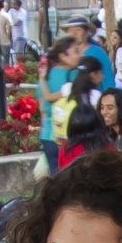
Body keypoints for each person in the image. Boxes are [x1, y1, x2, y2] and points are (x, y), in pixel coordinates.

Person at [38, 35, 84, 173]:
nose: (79, 55)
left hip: (47, 135)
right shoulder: (75, 75)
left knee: (55, 178)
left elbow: (42, 109)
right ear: (63, 55)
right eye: (76, 51)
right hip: (68, 136)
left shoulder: (45, 76)